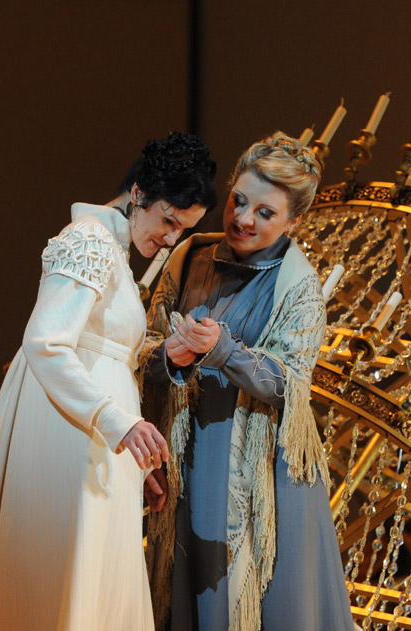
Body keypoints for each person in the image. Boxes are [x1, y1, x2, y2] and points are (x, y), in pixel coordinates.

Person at [0, 131, 217, 631]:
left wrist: (132, 458)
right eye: (169, 221)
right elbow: (46, 343)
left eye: (182, 230)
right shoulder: (91, 239)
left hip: (94, 435)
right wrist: (119, 424)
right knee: (63, 577)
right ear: (139, 193)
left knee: (91, 579)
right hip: (70, 431)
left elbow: (105, 356)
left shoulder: (112, 248)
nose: (170, 240)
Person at [142, 133, 354, 631]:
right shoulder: (189, 256)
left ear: (294, 221)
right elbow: (144, 345)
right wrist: (169, 355)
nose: (243, 219)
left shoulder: (299, 287)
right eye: (239, 200)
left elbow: (290, 385)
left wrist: (225, 351)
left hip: (257, 472)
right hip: (186, 454)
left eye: (265, 213)